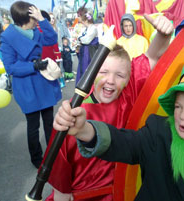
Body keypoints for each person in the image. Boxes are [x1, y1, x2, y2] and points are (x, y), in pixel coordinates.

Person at [54, 42, 184, 201]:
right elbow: (122, 142)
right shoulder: (157, 131)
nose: (182, 115)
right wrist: (84, 130)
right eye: (178, 106)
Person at [44, 14, 174, 201]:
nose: (111, 81)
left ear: (129, 77)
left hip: (125, 191)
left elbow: (152, 55)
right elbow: (60, 181)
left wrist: (163, 33)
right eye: (103, 72)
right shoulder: (74, 113)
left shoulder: (128, 90)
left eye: (120, 75)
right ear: (92, 72)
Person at [0, 1, 61, 169]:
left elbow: (52, 38)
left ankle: (52, 154)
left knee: (49, 122)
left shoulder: (36, 32)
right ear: (27, 18)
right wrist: (32, 66)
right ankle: (37, 159)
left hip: (43, 82)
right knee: (33, 126)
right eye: (34, 16)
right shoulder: (8, 39)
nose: (36, 19)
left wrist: (43, 20)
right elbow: (10, 67)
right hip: (27, 85)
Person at [75, 6, 99, 84]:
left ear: (82, 17)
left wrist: (79, 39)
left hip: (89, 55)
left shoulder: (93, 28)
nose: (77, 18)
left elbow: (87, 40)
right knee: (82, 72)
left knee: (88, 73)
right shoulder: (84, 28)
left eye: (78, 16)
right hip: (84, 54)